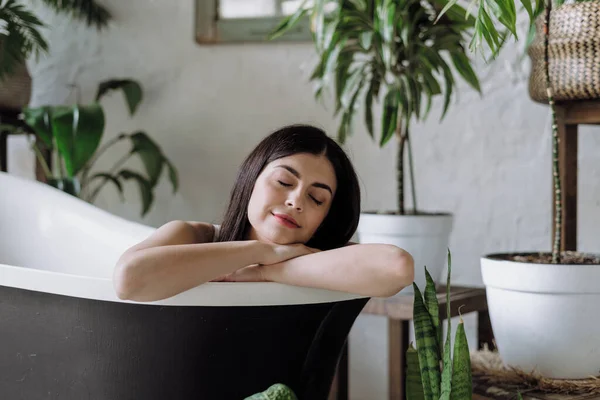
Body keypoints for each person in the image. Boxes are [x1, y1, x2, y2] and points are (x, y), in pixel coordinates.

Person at [113, 124, 414, 302]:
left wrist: (264, 270)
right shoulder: (193, 235)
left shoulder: (317, 258)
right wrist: (258, 250)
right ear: (251, 178)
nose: (296, 201)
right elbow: (128, 279)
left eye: (316, 198)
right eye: (284, 182)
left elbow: (397, 266)